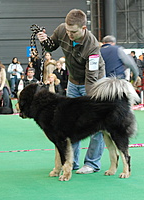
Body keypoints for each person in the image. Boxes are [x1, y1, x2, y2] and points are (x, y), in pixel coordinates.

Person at [37, 9, 105, 174]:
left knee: (96, 124)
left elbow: (91, 78)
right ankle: (71, 162)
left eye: (73, 32)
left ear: (83, 28)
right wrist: (44, 40)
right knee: (68, 123)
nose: (69, 34)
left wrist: (90, 104)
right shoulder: (62, 30)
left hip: (94, 83)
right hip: (73, 82)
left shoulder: (92, 46)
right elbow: (51, 46)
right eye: (67, 30)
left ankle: (92, 163)